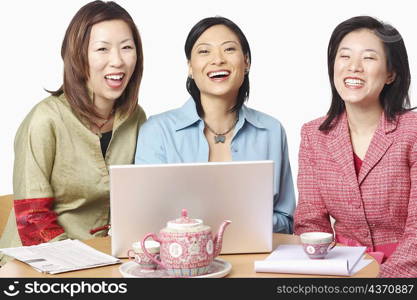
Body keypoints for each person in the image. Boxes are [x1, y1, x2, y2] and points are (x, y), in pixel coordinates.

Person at [0, 0, 146, 257]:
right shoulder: (45, 120)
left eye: (126, 48)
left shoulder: (136, 117)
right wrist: (87, 261)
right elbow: (33, 221)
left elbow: (142, 198)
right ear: (77, 56)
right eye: (102, 49)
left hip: (106, 256)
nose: (117, 61)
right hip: (35, 261)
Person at [135, 17, 295, 233]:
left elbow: (286, 221)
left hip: (257, 262)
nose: (217, 60)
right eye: (204, 51)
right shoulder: (157, 131)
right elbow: (146, 220)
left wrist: (243, 226)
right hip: (179, 263)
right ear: (190, 67)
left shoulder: (272, 131)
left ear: (246, 62)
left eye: (229, 49)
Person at [294, 16, 416, 277]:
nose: (354, 67)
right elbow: (310, 222)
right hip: (341, 271)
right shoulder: (314, 136)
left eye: (369, 58)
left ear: (391, 73)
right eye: (345, 56)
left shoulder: (413, 131)